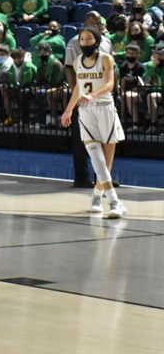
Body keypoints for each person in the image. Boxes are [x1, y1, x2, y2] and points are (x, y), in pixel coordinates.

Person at [61, 28, 128, 218]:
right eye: (82, 39)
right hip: (85, 111)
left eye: (89, 38)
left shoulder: (106, 59)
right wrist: (68, 110)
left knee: (105, 163)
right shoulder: (76, 62)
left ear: (96, 41)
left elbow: (110, 84)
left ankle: (97, 197)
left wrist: (93, 95)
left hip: (105, 108)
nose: (85, 41)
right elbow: (77, 89)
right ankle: (115, 202)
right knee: (96, 158)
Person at [63, 12, 112, 188]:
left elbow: (109, 74)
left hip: (103, 98)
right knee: (82, 140)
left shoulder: (107, 42)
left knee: (106, 139)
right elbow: (69, 69)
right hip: (83, 98)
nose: (95, 23)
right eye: (91, 21)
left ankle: (104, 178)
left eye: (97, 21)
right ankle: (81, 176)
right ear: (85, 23)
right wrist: (75, 97)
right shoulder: (75, 42)